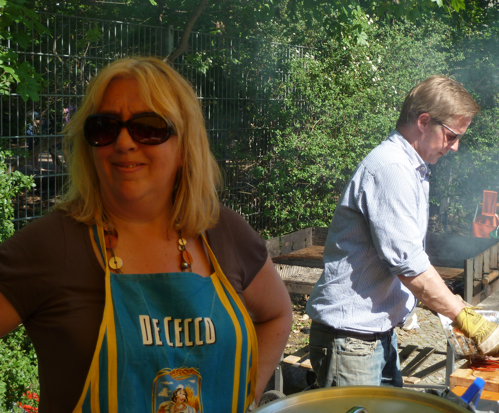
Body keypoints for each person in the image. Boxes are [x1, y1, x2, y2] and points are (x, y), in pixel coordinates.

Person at [0, 57, 292, 412]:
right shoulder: (52, 245)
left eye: (149, 127)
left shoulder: (224, 232)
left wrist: (246, 396)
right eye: (104, 127)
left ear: (185, 147)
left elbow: (277, 315)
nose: (123, 142)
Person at [305, 75, 499, 388]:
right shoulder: (392, 169)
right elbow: (408, 264)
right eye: (451, 136)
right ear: (424, 122)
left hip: (374, 334)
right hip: (351, 339)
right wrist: (464, 316)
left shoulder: (410, 167)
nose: (455, 147)